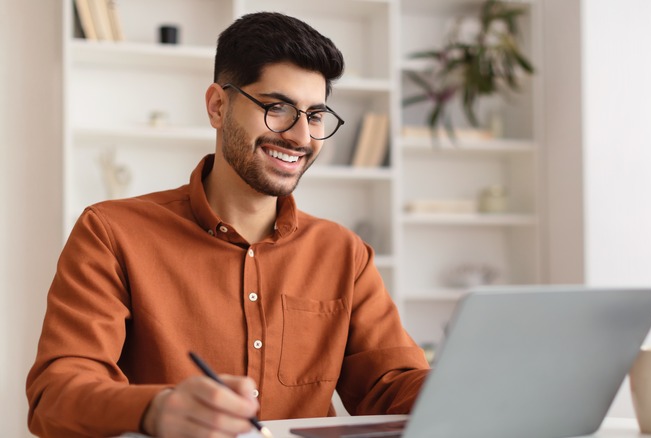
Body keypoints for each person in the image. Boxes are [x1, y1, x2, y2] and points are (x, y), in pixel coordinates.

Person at [26, 12, 430, 438]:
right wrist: (155, 409)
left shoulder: (344, 253)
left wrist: (476, 382)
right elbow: (55, 396)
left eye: (314, 115)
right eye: (277, 108)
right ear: (218, 106)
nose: (300, 137)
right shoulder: (110, 233)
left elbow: (389, 385)